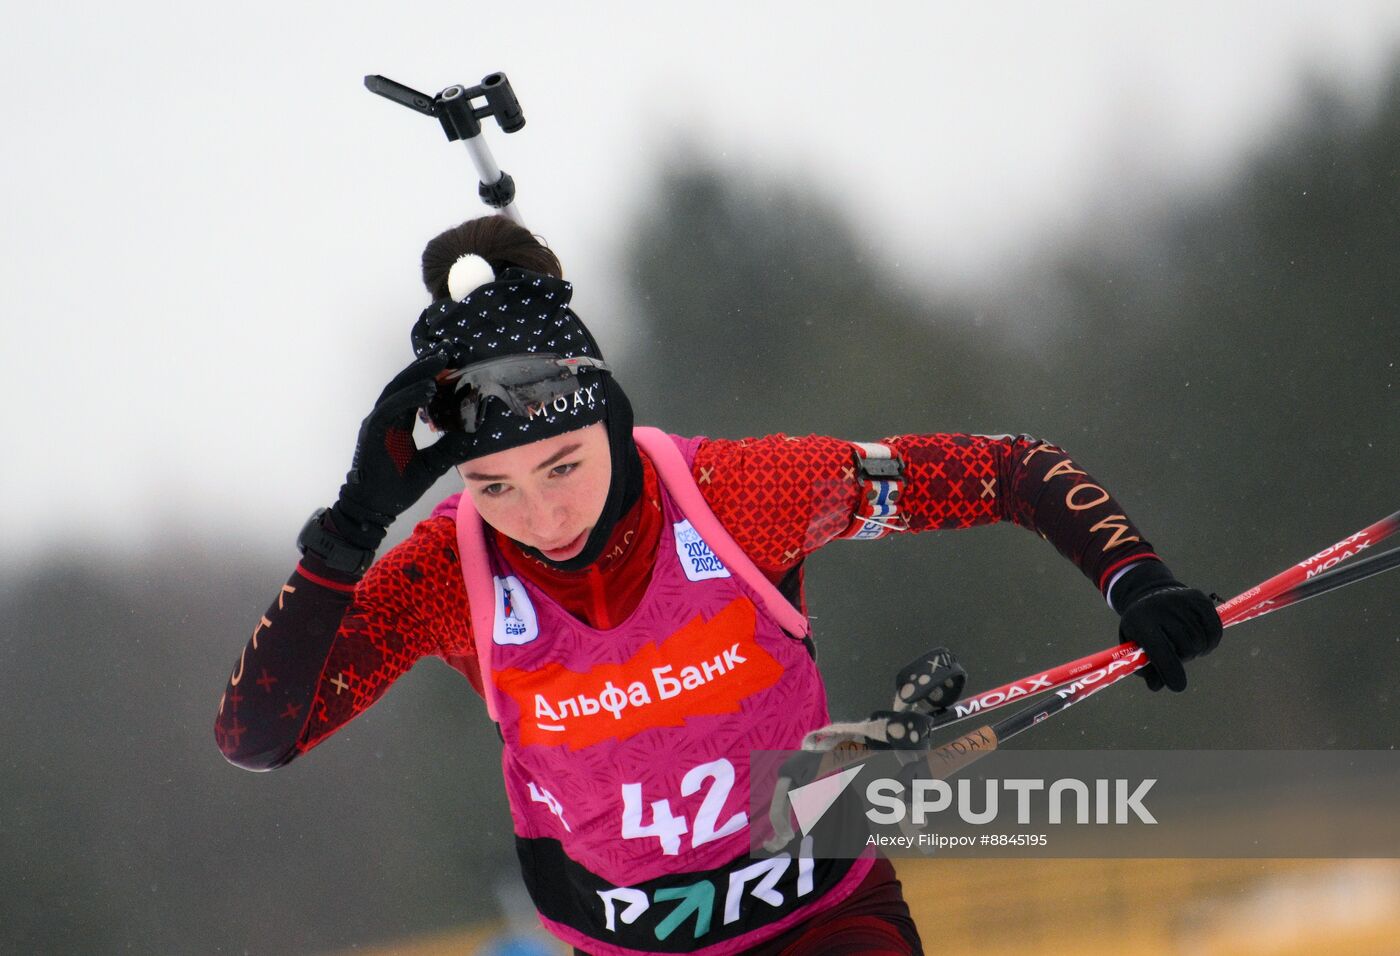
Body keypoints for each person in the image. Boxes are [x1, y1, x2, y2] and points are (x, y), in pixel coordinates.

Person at [215, 215, 1221, 955]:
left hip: (819, 921)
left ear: (608, 421)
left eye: (563, 464)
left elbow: (1006, 468)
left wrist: (1130, 577)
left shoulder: (739, 495)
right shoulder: (448, 567)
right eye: (494, 485)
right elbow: (257, 736)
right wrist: (345, 534)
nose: (541, 514)